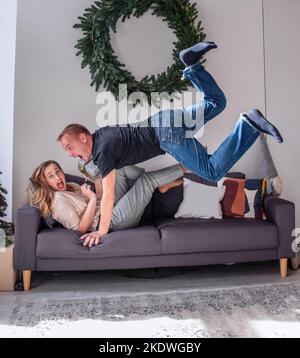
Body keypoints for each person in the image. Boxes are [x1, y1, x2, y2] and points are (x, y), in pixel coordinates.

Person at [57, 41, 283, 246]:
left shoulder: (102, 151)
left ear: (84, 137)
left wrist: (102, 231)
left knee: (212, 172)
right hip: (164, 119)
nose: (69, 153)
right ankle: (192, 65)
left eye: (69, 147)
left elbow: (108, 196)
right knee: (216, 102)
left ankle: (249, 126)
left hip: (166, 135)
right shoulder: (103, 135)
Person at [26, 160, 185, 247]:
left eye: (58, 171)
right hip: (111, 222)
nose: (58, 177)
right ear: (45, 182)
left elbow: (102, 198)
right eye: (51, 176)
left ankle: (160, 182)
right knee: (147, 180)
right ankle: (186, 167)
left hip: (108, 209)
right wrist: (92, 199)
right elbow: (80, 229)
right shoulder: (57, 201)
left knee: (117, 168)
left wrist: (97, 180)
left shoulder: (71, 187)